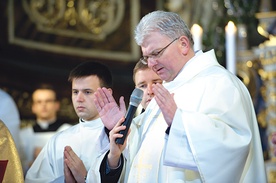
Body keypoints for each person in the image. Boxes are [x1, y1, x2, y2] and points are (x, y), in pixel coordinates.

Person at [95, 10, 267, 183]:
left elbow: (233, 147)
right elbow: (146, 161)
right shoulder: (166, 89)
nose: (151, 64)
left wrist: (179, 121)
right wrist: (127, 131)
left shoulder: (220, 83)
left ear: (183, 44)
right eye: (147, 57)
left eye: (156, 53)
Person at [25, 61, 124, 183]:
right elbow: (32, 180)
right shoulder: (58, 140)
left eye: (87, 92)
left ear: (107, 94)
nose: (79, 99)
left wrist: (85, 179)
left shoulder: (119, 136)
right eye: (75, 92)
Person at [20, 84, 72, 174]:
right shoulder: (23, 135)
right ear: (33, 107)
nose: (43, 105)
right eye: (39, 102)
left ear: (57, 105)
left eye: (48, 101)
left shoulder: (68, 132)